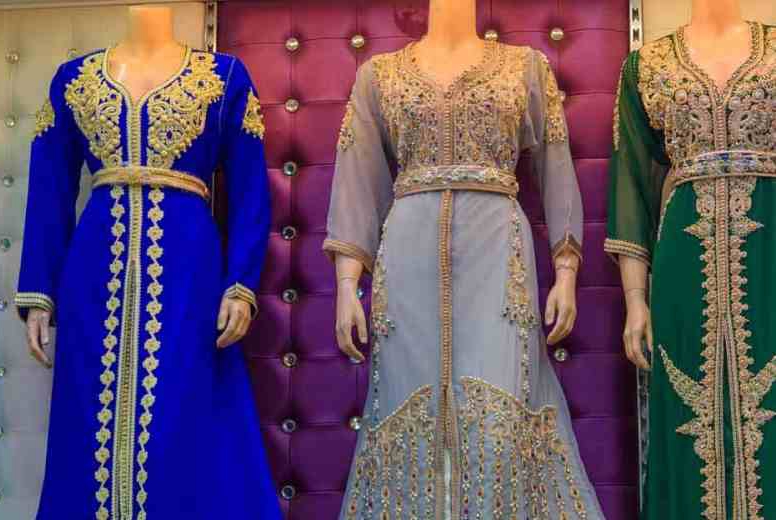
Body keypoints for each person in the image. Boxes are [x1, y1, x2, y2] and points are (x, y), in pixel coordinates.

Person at [323, 0, 604, 517]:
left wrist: (566, 268)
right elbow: (357, 177)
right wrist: (346, 284)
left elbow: (556, 166)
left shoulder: (525, 67)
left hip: (498, 253)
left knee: (501, 412)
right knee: (406, 406)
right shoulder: (378, 76)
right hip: (406, 256)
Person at [15, 6, 281, 519]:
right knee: (89, 417)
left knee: (184, 414)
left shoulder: (224, 77)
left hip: (190, 271)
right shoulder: (73, 81)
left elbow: (251, 193)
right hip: (94, 272)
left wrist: (241, 283)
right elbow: (49, 190)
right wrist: (39, 292)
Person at [606, 0, 776, 516]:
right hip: (683, 258)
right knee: (686, 405)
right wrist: (635, 300)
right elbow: (631, 182)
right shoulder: (645, 65)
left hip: (769, 248)